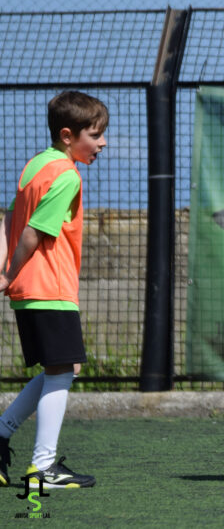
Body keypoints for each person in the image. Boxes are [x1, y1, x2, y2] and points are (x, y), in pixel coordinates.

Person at [0, 91, 108, 489]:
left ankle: (1, 434)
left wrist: (4, 271)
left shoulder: (35, 166)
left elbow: (10, 215)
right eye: (95, 135)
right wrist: (9, 273)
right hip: (49, 287)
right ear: (68, 135)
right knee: (63, 370)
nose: (103, 143)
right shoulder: (65, 174)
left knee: (63, 368)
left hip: (32, 289)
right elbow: (31, 231)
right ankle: (42, 469)